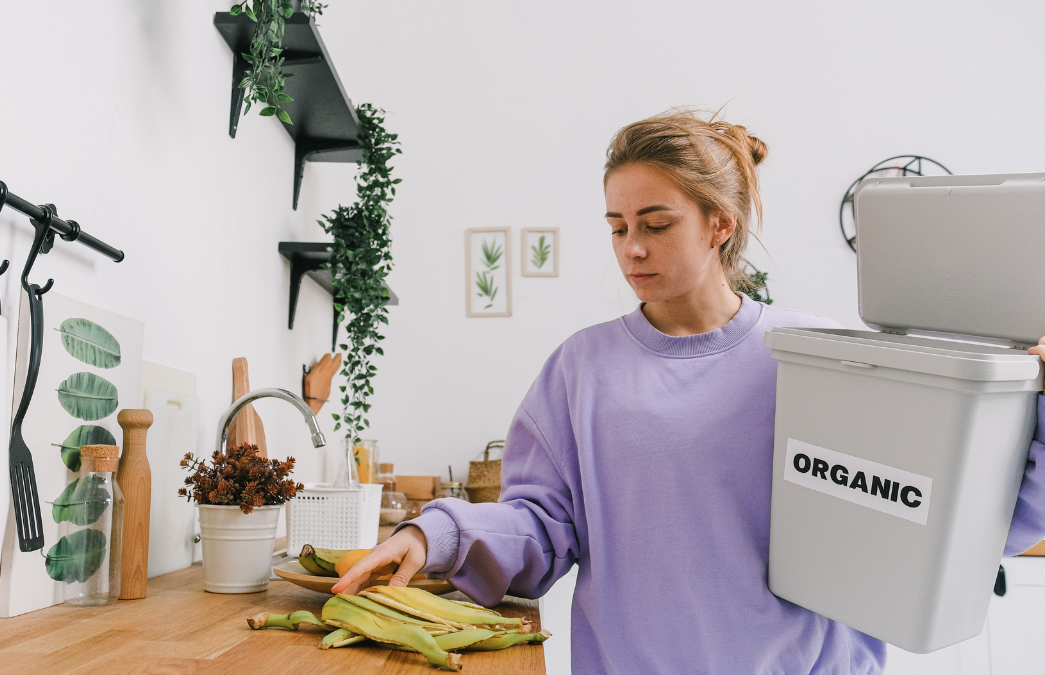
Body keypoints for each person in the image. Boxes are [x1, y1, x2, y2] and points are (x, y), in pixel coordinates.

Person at [332, 109, 1045, 674]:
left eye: (655, 224)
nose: (631, 248)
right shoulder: (581, 369)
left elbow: (938, 520)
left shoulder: (816, 358)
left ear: (720, 224)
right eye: (616, 228)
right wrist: (438, 533)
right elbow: (542, 526)